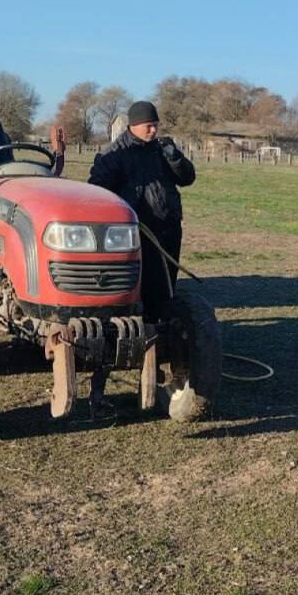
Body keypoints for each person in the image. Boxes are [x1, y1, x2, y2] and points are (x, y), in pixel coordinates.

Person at [87, 100, 196, 414]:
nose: (154, 129)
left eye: (156, 124)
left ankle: (158, 375)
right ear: (134, 125)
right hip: (133, 241)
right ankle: (101, 386)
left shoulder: (162, 150)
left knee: (164, 302)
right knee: (125, 306)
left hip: (167, 234)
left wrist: (174, 156)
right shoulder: (113, 155)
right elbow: (96, 195)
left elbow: (187, 177)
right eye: (149, 125)